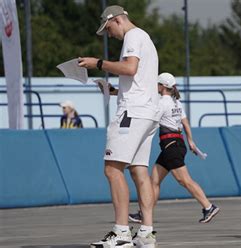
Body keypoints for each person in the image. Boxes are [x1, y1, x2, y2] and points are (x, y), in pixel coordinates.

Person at [78, 5, 159, 247]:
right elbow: (139, 79)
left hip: (132, 114)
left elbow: (130, 68)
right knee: (139, 171)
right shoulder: (145, 37)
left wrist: (98, 63)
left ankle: (121, 232)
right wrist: (114, 91)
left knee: (113, 170)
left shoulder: (133, 36)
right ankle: (146, 233)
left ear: (117, 20)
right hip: (147, 112)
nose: (109, 34)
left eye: (108, 28)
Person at [129, 73, 220, 224]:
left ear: (162, 86)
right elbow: (185, 122)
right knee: (154, 181)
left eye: (157, 84)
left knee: (184, 180)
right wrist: (190, 140)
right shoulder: (176, 102)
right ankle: (144, 213)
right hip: (176, 144)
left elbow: (150, 122)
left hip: (171, 146)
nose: (155, 86)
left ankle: (208, 206)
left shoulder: (162, 103)